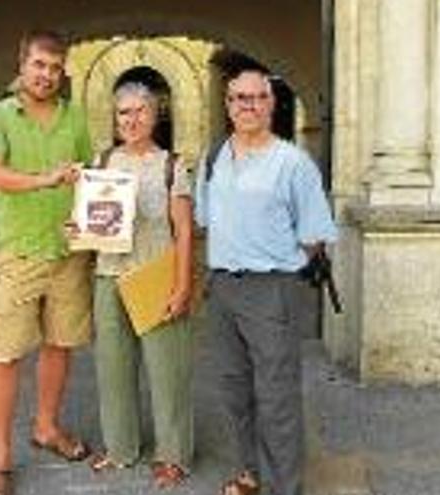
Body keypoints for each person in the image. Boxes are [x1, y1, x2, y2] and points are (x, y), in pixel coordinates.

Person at [194, 68, 338, 495]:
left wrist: (279, 266)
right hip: (222, 287)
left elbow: (313, 234)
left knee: (276, 396)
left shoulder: (293, 162)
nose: (248, 105)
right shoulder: (215, 156)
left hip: (271, 287)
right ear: (228, 104)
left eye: (258, 97)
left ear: (272, 103)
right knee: (235, 389)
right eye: (239, 98)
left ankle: (284, 485)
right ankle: (250, 472)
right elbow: (204, 219)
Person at [0, 29, 93, 495]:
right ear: (21, 66)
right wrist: (45, 180)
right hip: (17, 252)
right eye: (39, 65)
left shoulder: (75, 117)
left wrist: (89, 221)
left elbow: (87, 177)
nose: (46, 74)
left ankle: (46, 427)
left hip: (66, 253)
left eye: (55, 67)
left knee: (60, 344)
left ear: (63, 73)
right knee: (4, 354)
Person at [77, 82, 194, 489]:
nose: (131, 119)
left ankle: (173, 455)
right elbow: (90, 222)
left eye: (139, 111)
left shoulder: (171, 165)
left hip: (155, 274)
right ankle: (121, 448)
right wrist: (77, 228)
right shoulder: (103, 160)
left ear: (154, 115)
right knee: (112, 367)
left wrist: (181, 287)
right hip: (109, 277)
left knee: (167, 371)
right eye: (123, 113)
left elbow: (183, 231)